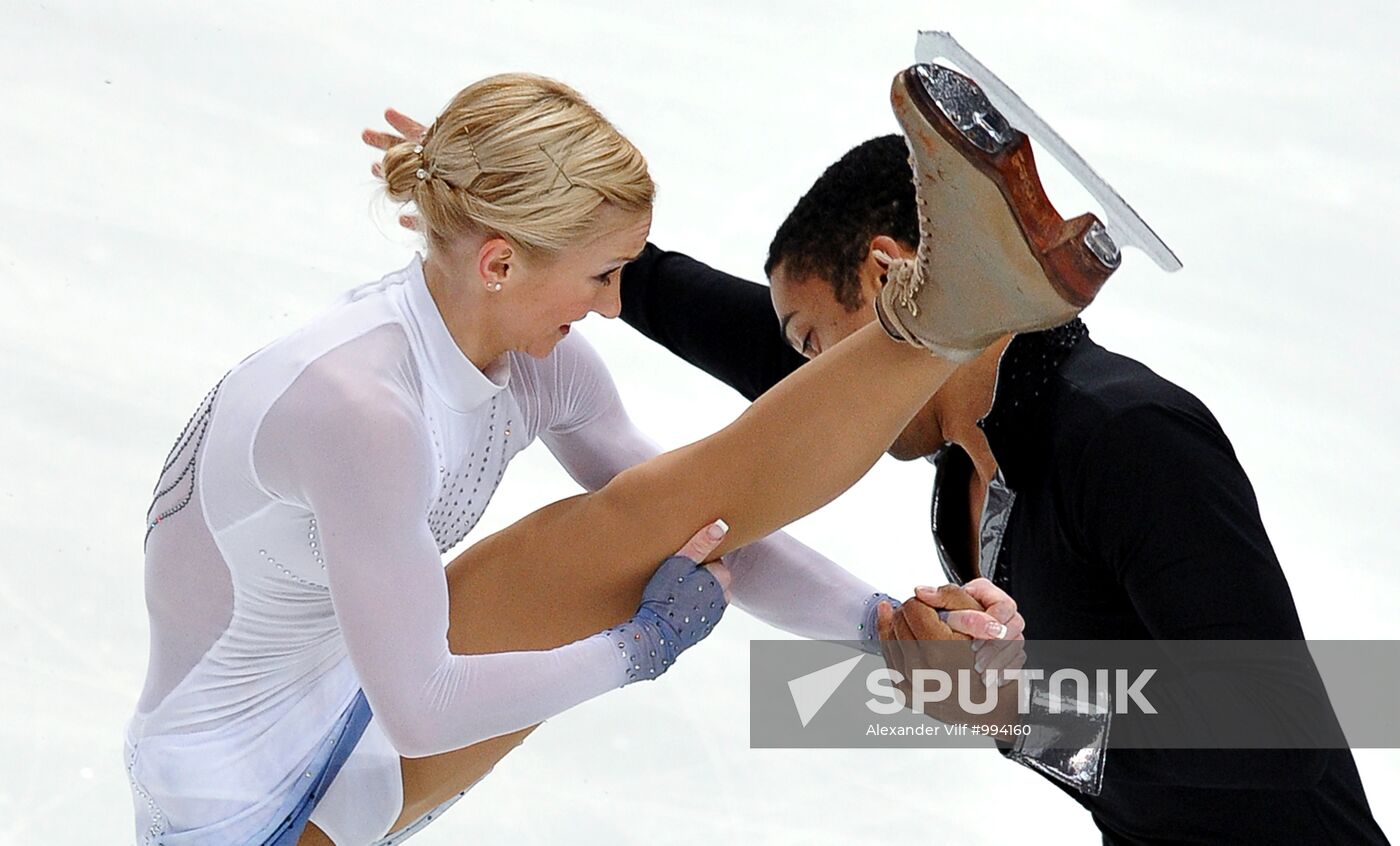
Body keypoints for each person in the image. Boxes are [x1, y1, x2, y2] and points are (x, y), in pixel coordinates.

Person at [130, 68, 1075, 846]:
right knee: (598, 537)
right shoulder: (359, 407)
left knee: (635, 519)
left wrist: (880, 631)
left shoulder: (535, 365)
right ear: (500, 263)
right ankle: (949, 316)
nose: (614, 302)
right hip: (241, 813)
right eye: (601, 273)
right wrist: (637, 650)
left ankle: (950, 312)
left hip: (347, 714)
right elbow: (423, 708)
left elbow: (703, 528)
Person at [604, 132, 1390, 842]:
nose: (814, 385)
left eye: (813, 341)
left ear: (889, 275)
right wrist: (609, 275)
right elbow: (793, 372)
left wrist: (1015, 706)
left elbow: (1278, 728)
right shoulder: (966, 457)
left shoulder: (1126, 436)